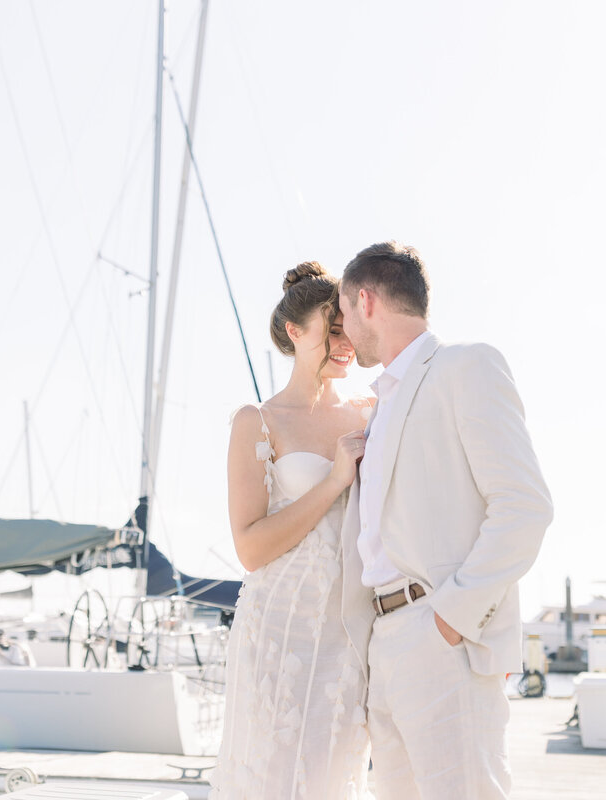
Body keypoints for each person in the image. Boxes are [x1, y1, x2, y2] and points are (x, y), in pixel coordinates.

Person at [337, 241, 554, 799]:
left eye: (342, 310)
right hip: (382, 642)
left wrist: (452, 618)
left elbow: (524, 506)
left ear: (365, 301)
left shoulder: (467, 365)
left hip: (439, 635)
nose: (342, 326)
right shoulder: (379, 403)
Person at [211, 261, 372, 800]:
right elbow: (251, 549)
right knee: (274, 777)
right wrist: (333, 482)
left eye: (348, 326)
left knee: (334, 776)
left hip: (349, 628)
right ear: (293, 332)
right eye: (332, 329)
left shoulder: (371, 413)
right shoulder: (256, 421)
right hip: (279, 627)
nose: (346, 341)